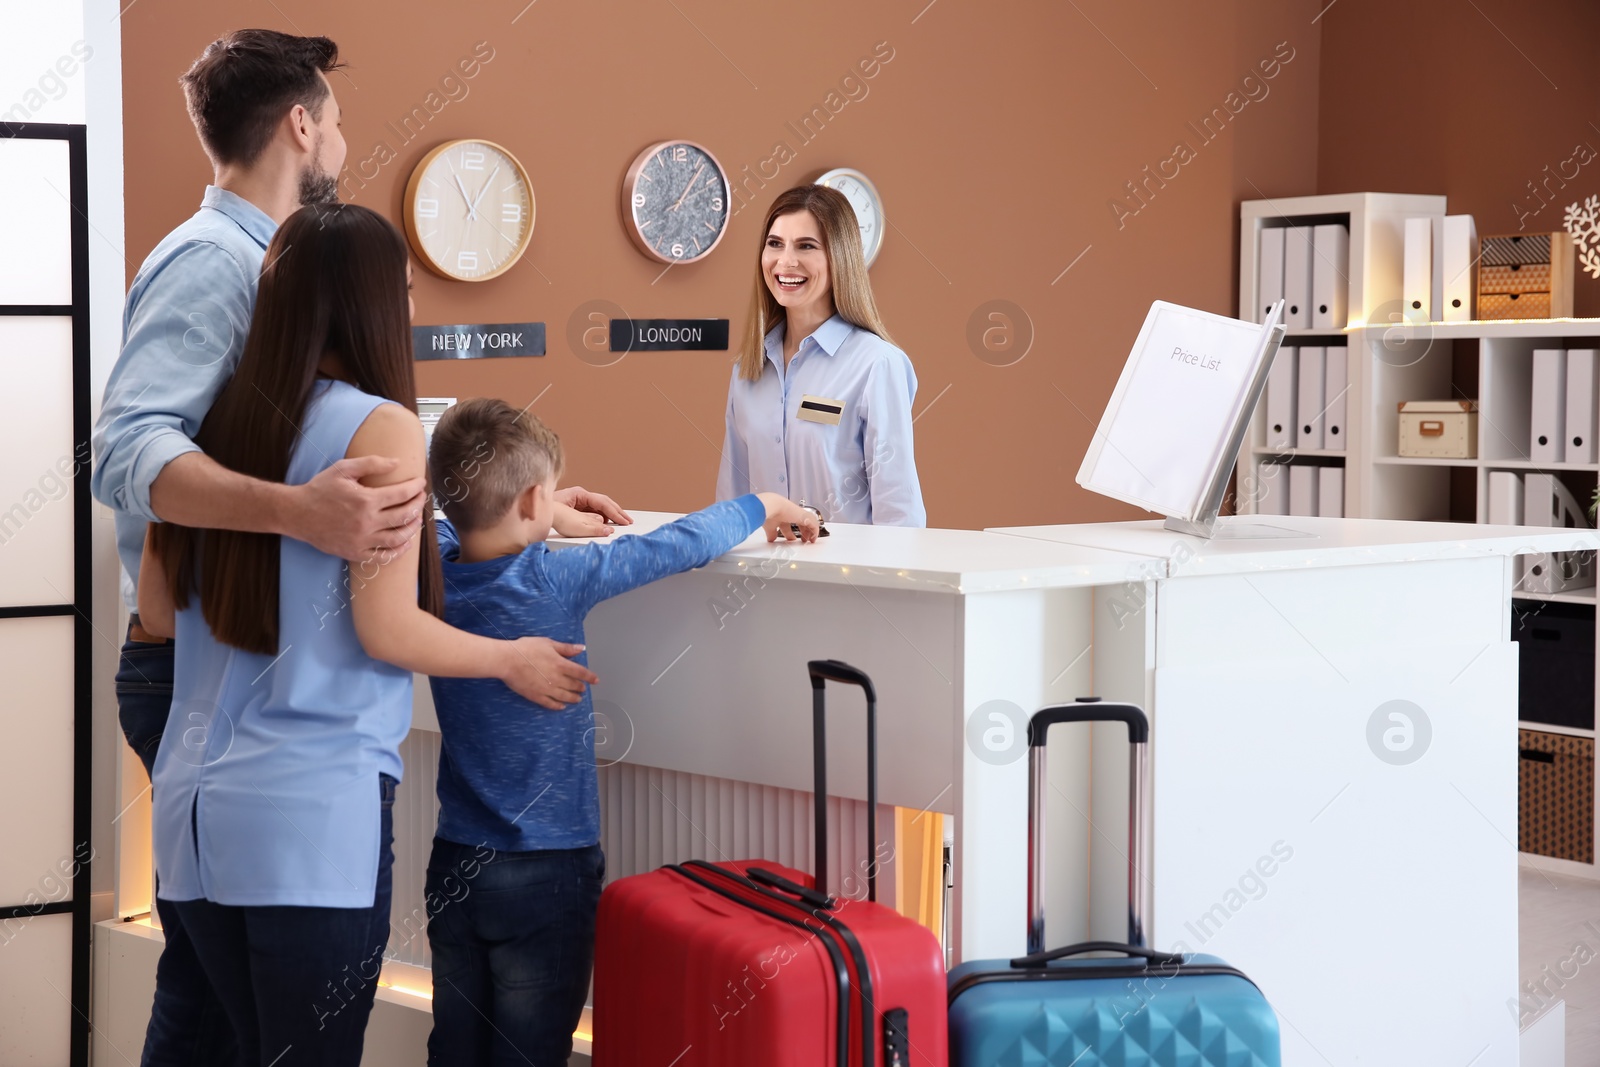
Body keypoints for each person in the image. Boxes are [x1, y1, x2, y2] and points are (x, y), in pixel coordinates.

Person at [91, 30, 618, 1062]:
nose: (340, 133)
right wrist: (304, 522)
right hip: (296, 796)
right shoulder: (217, 264)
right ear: (301, 123)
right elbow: (128, 453)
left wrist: (521, 507)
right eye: (332, 117)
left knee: (212, 1004)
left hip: (210, 771)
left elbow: (167, 563)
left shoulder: (258, 396)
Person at [423, 397, 819, 1066]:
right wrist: (767, 502)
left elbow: (444, 520)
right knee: (531, 1052)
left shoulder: (430, 568)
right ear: (529, 502)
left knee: (456, 1047)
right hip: (547, 873)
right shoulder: (557, 577)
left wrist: (545, 506)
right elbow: (678, 544)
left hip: (457, 859)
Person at [716, 183, 926, 526]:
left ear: (838, 257)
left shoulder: (876, 364)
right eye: (775, 244)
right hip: (759, 577)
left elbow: (899, 513)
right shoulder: (748, 369)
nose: (785, 262)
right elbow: (733, 501)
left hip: (846, 578)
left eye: (806, 246)